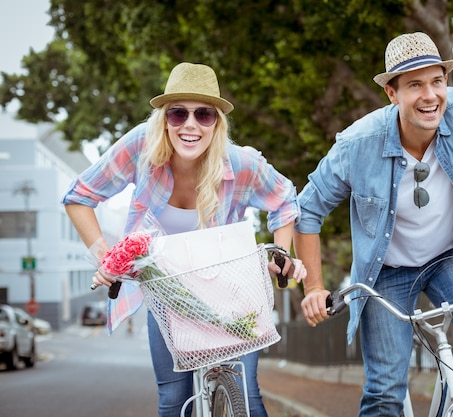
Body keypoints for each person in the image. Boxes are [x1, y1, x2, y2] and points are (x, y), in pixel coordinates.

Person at [294, 32, 453, 417]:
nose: (430, 95)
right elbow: (307, 210)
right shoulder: (357, 143)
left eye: (437, 81)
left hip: (452, 255)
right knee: (384, 391)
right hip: (386, 272)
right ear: (392, 94)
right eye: (414, 84)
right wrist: (314, 287)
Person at [62, 62, 306, 417]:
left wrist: (281, 252)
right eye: (178, 114)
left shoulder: (240, 163)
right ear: (164, 119)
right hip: (169, 292)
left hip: (233, 290)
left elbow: (285, 198)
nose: (190, 125)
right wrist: (107, 257)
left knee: (247, 395)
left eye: (204, 114)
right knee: (174, 401)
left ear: (217, 123)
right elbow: (79, 196)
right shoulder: (140, 149)